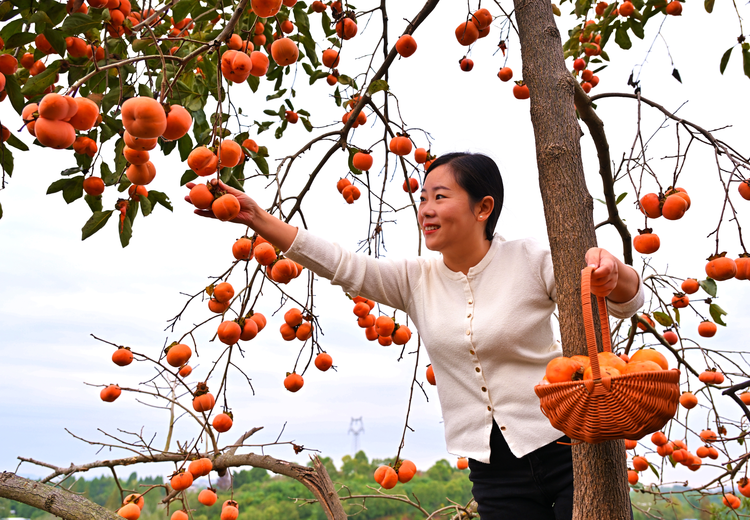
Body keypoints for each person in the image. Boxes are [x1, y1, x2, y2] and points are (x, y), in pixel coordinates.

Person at [187, 152, 643, 519]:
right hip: (492, 470)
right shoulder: (415, 279)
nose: (425, 208)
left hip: (568, 448)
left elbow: (622, 302)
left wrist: (614, 273)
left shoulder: (530, 259)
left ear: (483, 207)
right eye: (423, 197)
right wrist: (258, 219)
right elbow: (344, 265)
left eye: (440, 197)